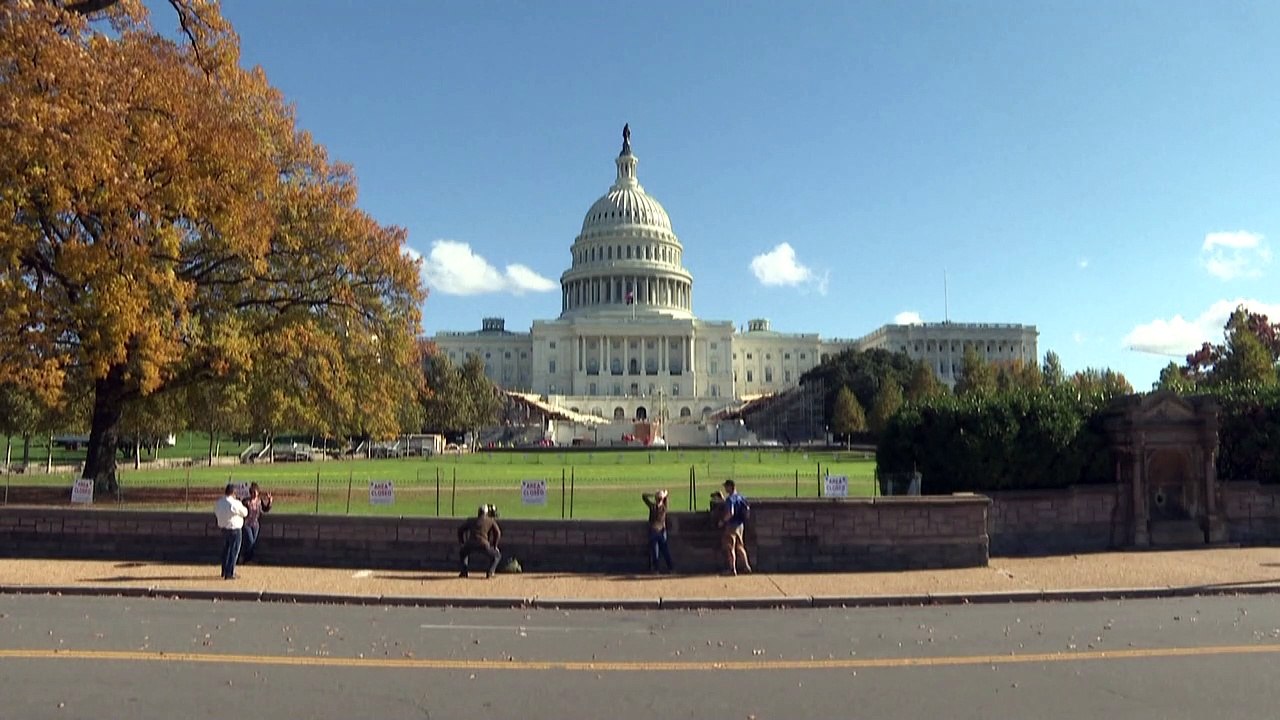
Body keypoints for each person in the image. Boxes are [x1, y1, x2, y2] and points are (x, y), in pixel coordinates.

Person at [457, 504, 502, 578]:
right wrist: (495, 545)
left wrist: (462, 543)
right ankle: (490, 572)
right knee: (497, 556)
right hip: (483, 544)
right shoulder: (490, 520)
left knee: (462, 553)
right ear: (486, 513)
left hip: (470, 544)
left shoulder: (471, 520)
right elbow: (498, 533)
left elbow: (460, 530)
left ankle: (464, 572)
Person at [214, 483, 248, 580]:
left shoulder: (219, 502)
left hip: (223, 529)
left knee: (225, 550)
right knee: (234, 551)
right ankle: (230, 572)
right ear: (233, 493)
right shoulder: (235, 503)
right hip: (234, 529)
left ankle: (224, 570)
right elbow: (245, 512)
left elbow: (216, 512)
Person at [719, 479, 752, 576]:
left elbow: (730, 513)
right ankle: (746, 566)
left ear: (730, 487)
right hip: (740, 525)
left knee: (730, 547)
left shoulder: (730, 499)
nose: (725, 488)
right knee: (740, 546)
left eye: (726, 486)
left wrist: (722, 521)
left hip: (731, 526)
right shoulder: (741, 497)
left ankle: (732, 569)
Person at [641, 489, 675, 573]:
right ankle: (671, 568)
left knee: (655, 552)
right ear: (662, 499)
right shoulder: (664, 508)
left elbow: (644, 496)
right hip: (662, 531)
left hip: (653, 531)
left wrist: (653, 494)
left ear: (656, 499)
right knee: (665, 551)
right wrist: (664, 494)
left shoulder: (652, 507)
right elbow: (666, 496)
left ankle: (656, 569)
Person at [240, 482, 273, 564]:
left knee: (252, 543)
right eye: (253, 493)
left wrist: (269, 502)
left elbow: (265, 509)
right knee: (250, 541)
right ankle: (246, 559)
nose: (254, 494)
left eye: (256, 493)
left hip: (255, 525)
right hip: (247, 524)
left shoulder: (259, 501)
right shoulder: (246, 501)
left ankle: (248, 559)